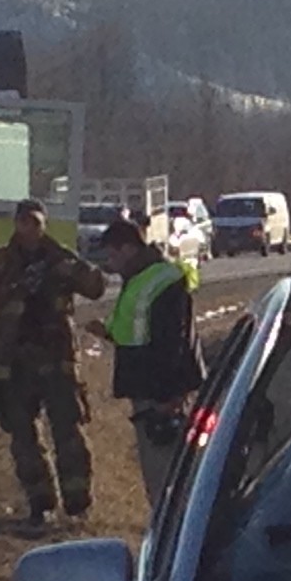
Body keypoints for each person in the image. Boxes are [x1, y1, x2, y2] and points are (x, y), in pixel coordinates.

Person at [0, 200, 108, 526]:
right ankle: (40, 502)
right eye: (23, 222)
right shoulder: (0, 264)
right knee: (23, 436)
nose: (29, 229)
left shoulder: (59, 258)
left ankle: (77, 504)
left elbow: (96, 287)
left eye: (35, 222)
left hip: (57, 359)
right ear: (16, 224)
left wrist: (71, 269)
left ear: (43, 224)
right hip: (15, 362)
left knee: (68, 432)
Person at [97, 217, 206, 511]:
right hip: (148, 388)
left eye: (112, 254)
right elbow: (138, 330)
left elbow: (172, 340)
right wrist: (107, 332)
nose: (110, 263)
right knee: (157, 470)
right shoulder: (142, 277)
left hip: (161, 393)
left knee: (166, 473)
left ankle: (170, 531)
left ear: (129, 249)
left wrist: (168, 398)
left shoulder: (162, 280)